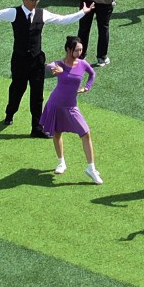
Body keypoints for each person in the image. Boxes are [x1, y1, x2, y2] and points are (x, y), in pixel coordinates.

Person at [0, 0, 87, 137]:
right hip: (19, 61)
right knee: (17, 89)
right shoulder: (13, 13)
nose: (35, 2)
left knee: (37, 94)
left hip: (37, 61)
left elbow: (63, 20)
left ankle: (37, 128)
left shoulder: (42, 14)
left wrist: (83, 12)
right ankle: (10, 113)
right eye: (33, 0)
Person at [40, 36, 102, 184]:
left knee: (86, 133)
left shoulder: (82, 63)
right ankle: (61, 162)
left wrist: (87, 87)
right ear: (68, 49)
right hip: (55, 103)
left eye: (81, 50)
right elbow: (49, 66)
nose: (80, 53)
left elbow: (92, 74)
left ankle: (91, 168)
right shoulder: (60, 64)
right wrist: (56, 69)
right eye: (77, 50)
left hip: (71, 106)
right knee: (57, 132)